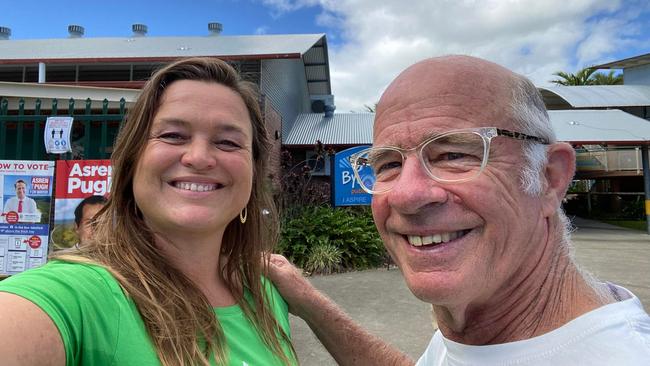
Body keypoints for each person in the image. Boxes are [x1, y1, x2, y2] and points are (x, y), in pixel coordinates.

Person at [269, 55, 650, 365]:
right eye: (387, 164)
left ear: (549, 177)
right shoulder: (492, 326)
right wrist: (309, 300)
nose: (407, 195)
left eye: (454, 154)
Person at [0, 57, 296, 365]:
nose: (199, 157)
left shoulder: (266, 293)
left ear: (253, 171)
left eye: (228, 141)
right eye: (172, 135)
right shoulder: (78, 294)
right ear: (132, 163)